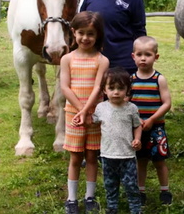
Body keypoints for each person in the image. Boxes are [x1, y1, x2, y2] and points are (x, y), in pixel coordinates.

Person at [60, 11, 110, 214]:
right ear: (73, 32)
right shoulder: (67, 59)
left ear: (98, 35)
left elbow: (98, 87)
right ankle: (72, 199)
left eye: (91, 33)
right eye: (81, 33)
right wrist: (81, 112)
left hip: (94, 116)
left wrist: (88, 112)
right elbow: (65, 87)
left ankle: (90, 197)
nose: (86, 38)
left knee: (91, 156)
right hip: (74, 115)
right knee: (75, 157)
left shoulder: (102, 60)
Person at [91, 67, 143, 214]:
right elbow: (92, 121)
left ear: (127, 90)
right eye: (111, 88)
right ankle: (112, 207)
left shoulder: (131, 108)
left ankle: (135, 208)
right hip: (107, 155)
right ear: (104, 90)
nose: (116, 92)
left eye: (120, 88)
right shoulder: (101, 108)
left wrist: (137, 139)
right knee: (110, 184)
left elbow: (137, 125)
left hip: (127, 155)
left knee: (131, 184)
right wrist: (81, 118)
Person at [130, 36, 173, 205]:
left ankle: (165, 190)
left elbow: (167, 103)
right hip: (138, 129)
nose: (143, 58)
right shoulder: (131, 80)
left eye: (147, 54)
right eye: (139, 54)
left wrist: (153, 119)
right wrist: (138, 120)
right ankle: (141, 191)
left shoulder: (159, 79)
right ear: (133, 56)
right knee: (140, 161)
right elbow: (128, 104)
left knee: (159, 161)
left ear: (156, 57)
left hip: (157, 129)